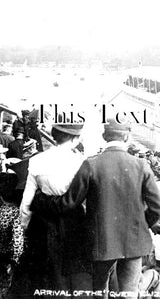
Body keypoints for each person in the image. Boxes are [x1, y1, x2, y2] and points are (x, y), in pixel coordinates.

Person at [30, 119, 160, 297]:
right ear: (126, 137)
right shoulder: (141, 165)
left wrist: (40, 199)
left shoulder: (91, 164)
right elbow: (159, 205)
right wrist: (141, 224)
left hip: (101, 242)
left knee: (100, 291)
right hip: (134, 241)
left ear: (104, 137)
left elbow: (68, 203)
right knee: (129, 292)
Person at [19, 123, 91, 294]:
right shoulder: (80, 162)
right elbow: (85, 200)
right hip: (72, 222)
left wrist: (24, 224)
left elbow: (26, 200)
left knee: (43, 272)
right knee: (69, 273)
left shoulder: (37, 160)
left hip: (42, 222)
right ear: (74, 139)